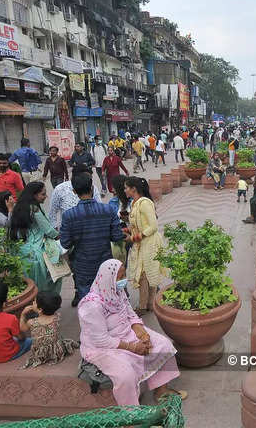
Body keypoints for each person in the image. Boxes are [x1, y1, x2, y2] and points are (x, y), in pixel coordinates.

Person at [78, 259, 185, 406]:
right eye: (120, 277)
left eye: (123, 275)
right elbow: (100, 340)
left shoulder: (117, 292)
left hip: (126, 332)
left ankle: (162, 391)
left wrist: (141, 333)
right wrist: (133, 347)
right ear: (109, 279)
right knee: (125, 374)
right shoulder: (91, 305)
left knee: (163, 345)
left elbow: (130, 314)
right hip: (102, 348)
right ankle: (131, 415)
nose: (124, 280)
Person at [60, 173, 125, 305]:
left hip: (82, 266)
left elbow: (65, 243)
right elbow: (117, 237)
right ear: (92, 188)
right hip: (105, 263)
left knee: (89, 302)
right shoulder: (108, 210)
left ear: (74, 191)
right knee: (108, 298)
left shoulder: (69, 215)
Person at [9, 182, 62, 294]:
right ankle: (48, 304)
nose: (45, 197)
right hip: (36, 251)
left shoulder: (18, 207)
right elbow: (49, 230)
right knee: (56, 275)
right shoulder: (34, 209)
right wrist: (61, 236)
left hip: (20, 251)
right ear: (34, 195)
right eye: (43, 194)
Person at [123, 177, 166, 314]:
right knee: (145, 273)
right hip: (141, 243)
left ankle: (145, 306)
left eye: (126, 188)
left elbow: (153, 226)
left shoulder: (145, 203)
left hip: (149, 242)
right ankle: (149, 304)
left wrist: (135, 237)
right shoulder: (135, 203)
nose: (124, 190)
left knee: (146, 274)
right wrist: (127, 230)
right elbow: (139, 224)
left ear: (133, 189)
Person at [19, 292, 79, 369]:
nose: (33, 303)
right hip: (55, 349)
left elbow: (22, 328)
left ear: (40, 309)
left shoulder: (32, 322)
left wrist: (23, 315)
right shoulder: (56, 317)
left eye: (34, 302)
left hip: (40, 352)